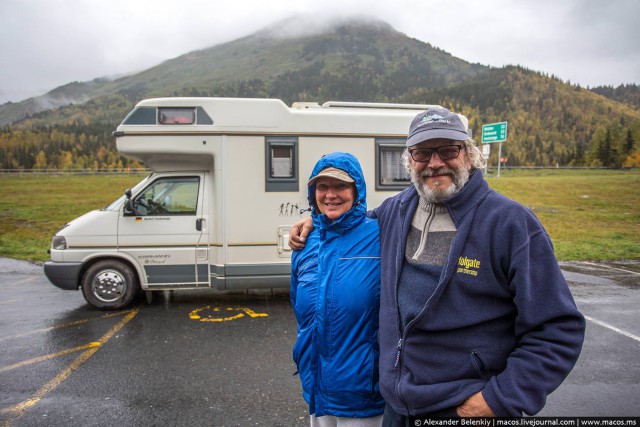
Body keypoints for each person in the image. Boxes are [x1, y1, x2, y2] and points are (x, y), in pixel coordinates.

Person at [289, 108, 585, 421]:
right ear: (410, 160)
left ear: (469, 155)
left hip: (464, 410)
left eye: (448, 149)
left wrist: (500, 398)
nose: (434, 163)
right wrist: (315, 220)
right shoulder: (395, 212)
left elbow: (557, 328)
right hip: (398, 409)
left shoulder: (510, 224)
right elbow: (347, 224)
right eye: (422, 152)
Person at [290, 152, 385, 427]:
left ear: (357, 190)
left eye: (341, 186)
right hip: (316, 389)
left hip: (364, 396)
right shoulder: (304, 243)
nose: (330, 194)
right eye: (322, 186)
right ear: (313, 192)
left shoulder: (380, 235)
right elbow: (300, 309)